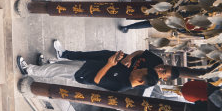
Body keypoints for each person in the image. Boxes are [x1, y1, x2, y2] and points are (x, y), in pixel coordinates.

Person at [17, 46, 160, 92]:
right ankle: (41, 66)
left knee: (56, 71)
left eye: (139, 72)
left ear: (140, 81)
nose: (136, 69)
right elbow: (115, 67)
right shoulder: (130, 74)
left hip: (84, 75)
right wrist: (117, 58)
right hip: (88, 66)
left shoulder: (122, 85)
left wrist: (109, 64)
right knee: (60, 67)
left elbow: (97, 80)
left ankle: (29, 70)